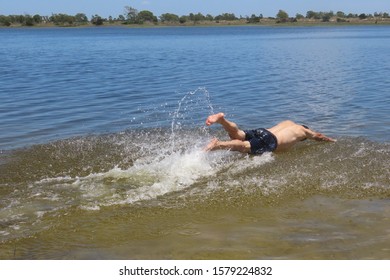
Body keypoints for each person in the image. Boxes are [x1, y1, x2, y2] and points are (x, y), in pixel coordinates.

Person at [204, 112, 336, 154]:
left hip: (263, 131)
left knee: (237, 133)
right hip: (271, 140)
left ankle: (222, 120)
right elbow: (317, 136)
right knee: (243, 146)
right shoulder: (303, 131)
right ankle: (218, 144)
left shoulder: (288, 122)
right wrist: (330, 140)